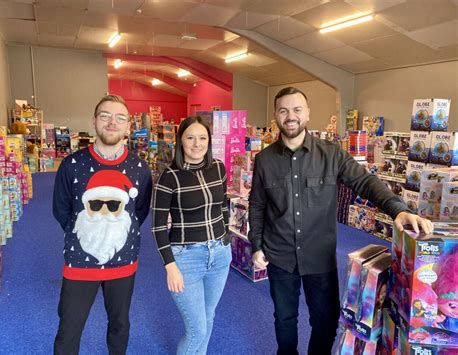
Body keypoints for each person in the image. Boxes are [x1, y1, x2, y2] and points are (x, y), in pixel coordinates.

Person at [248, 87, 434, 355]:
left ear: (308, 113)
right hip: (279, 256)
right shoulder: (264, 160)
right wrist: (256, 245)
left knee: (324, 322)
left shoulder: (331, 154)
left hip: (319, 256)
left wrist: (397, 209)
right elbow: (257, 205)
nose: (291, 116)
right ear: (276, 115)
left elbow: (364, 181)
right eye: (284, 110)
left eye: (297, 109)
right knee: (285, 320)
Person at [52, 95, 152, 354]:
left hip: (124, 263)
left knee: (119, 326)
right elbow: (61, 209)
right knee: (69, 330)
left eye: (120, 117)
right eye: (105, 116)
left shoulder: (140, 168)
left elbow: (139, 211)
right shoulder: (72, 164)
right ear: (94, 122)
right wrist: (88, 234)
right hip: (79, 265)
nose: (112, 122)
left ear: (128, 126)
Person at [151, 116, 231, 355]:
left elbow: (224, 205)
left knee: (209, 318)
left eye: (203, 138)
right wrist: (170, 266)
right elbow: (157, 227)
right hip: (186, 258)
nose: (197, 144)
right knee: (197, 329)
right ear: (180, 141)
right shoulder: (170, 176)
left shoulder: (218, 167)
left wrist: (225, 237)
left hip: (219, 254)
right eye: (190, 138)